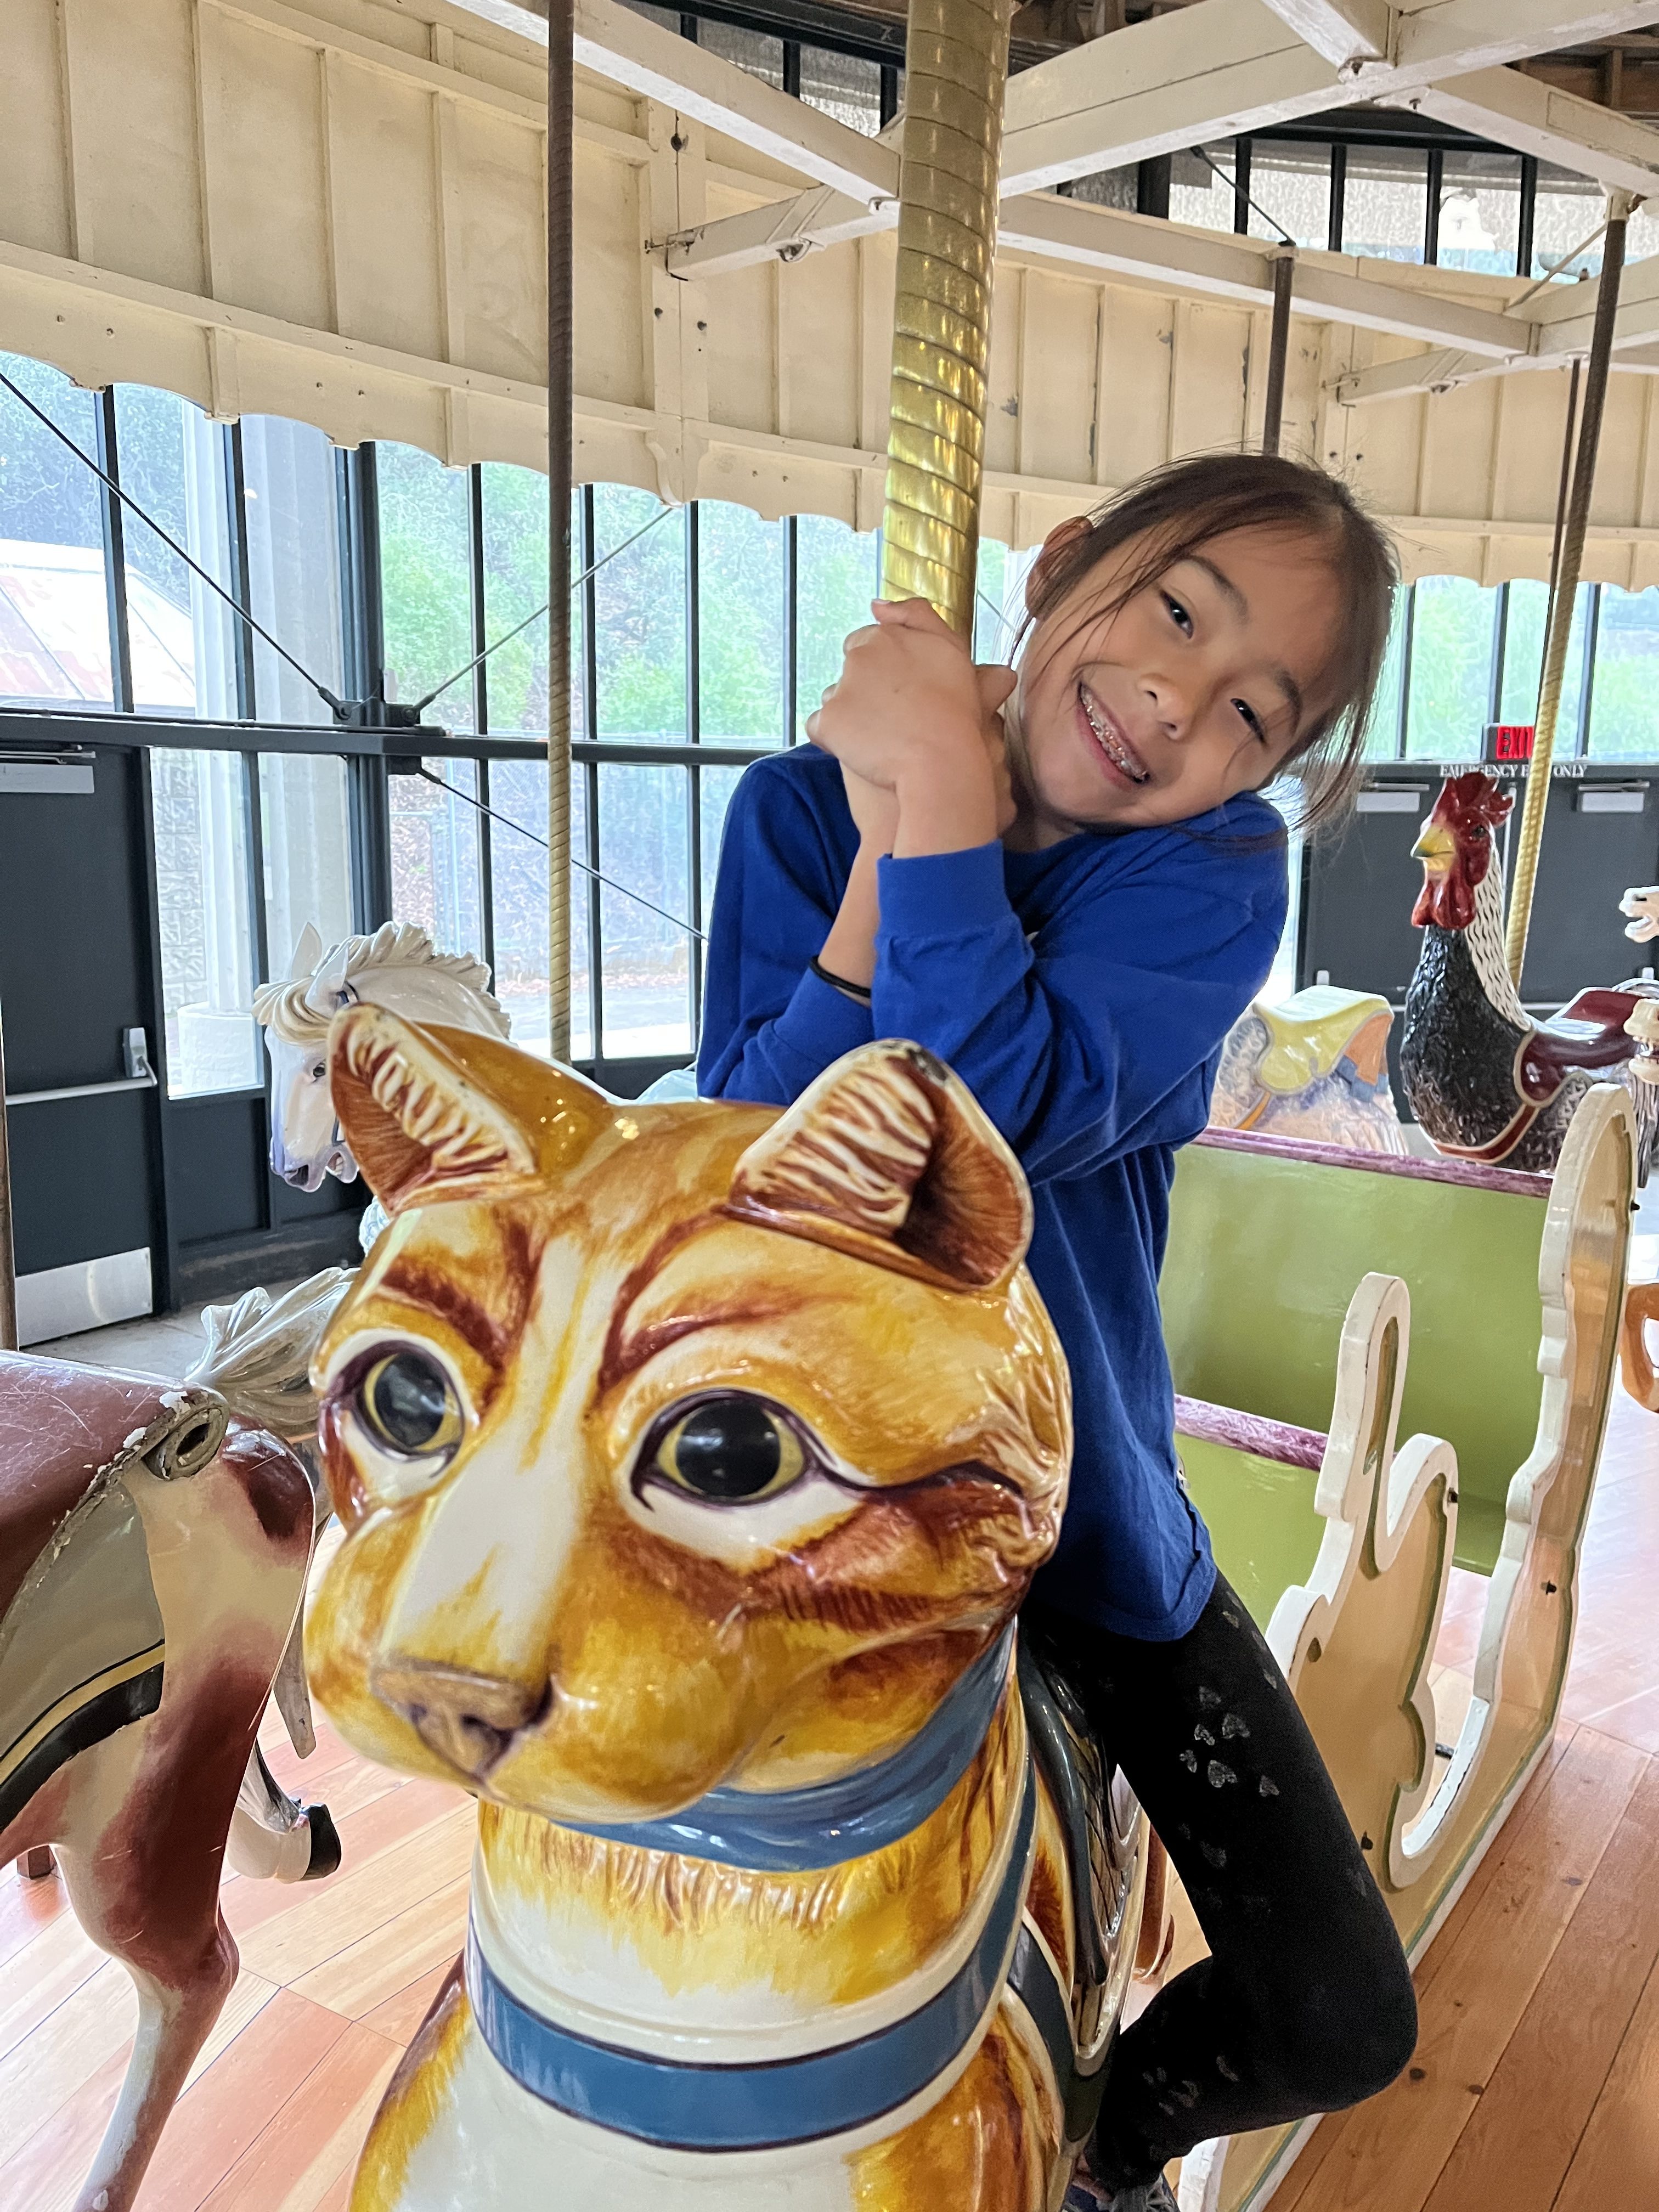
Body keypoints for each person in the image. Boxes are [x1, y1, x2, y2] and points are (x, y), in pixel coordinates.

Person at [695, 452, 1418, 2212]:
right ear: (1066, 561)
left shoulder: (1207, 884)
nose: (1182, 704)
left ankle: (1108, 2141)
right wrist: (887, 842)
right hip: (829, 1525)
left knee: (1338, 2012)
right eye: (1178, 609)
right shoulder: (798, 819)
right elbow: (763, 1180)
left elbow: (972, 1134)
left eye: (1258, 713)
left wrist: (937, 798)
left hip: (1081, 1527)